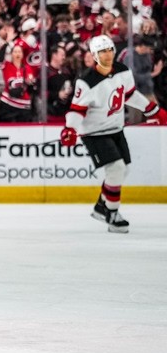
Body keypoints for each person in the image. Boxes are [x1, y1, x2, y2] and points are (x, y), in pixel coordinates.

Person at [61, 35, 167, 233]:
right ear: (94, 55)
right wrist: (70, 129)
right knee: (116, 169)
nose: (107, 54)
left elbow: (129, 95)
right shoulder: (86, 81)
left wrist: (152, 110)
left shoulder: (122, 71)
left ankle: (101, 207)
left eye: (110, 50)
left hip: (116, 129)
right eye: (102, 51)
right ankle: (112, 213)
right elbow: (77, 109)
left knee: (123, 170)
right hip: (95, 133)